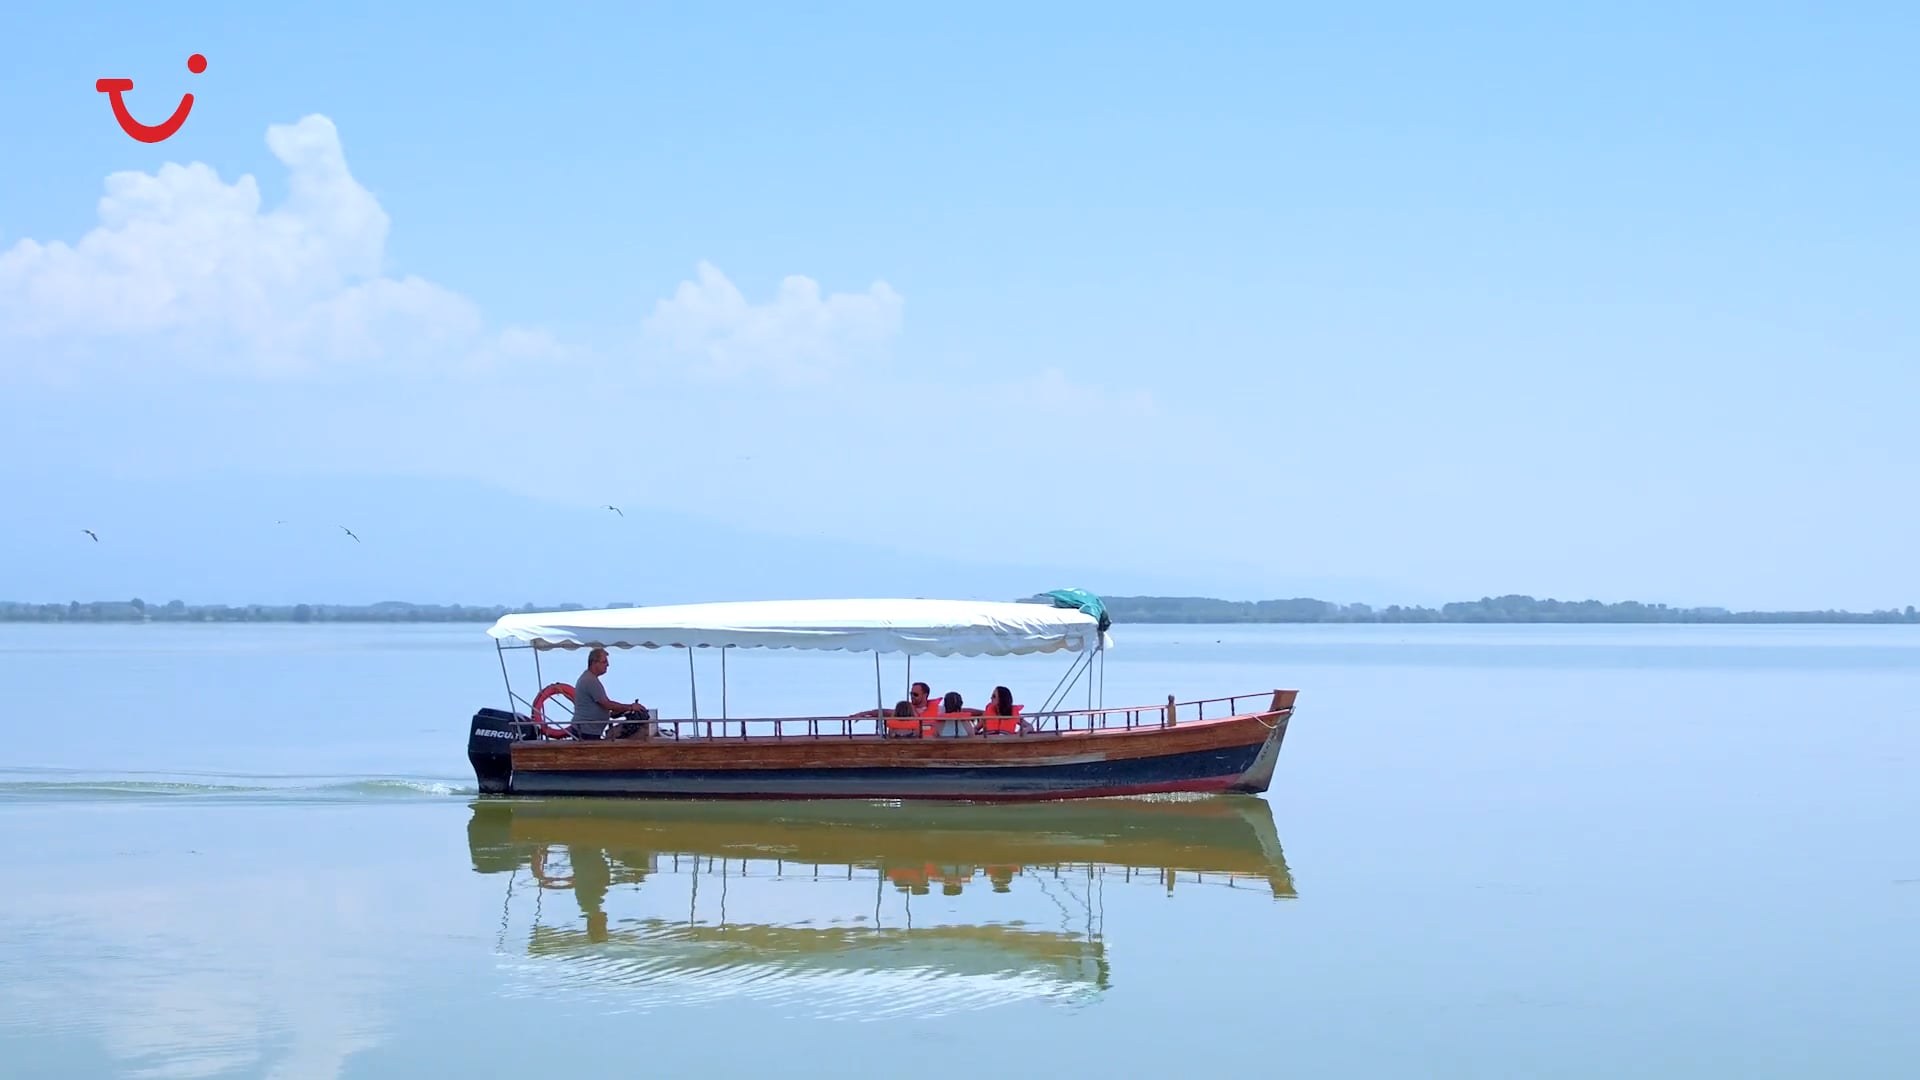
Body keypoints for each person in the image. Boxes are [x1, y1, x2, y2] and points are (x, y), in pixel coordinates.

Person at [572, 647, 651, 739]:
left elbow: (603, 706)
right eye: (604, 662)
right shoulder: (589, 680)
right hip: (586, 732)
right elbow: (606, 704)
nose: (608, 665)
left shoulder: (590, 678)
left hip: (589, 730)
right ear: (594, 663)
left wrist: (621, 711)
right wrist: (630, 707)